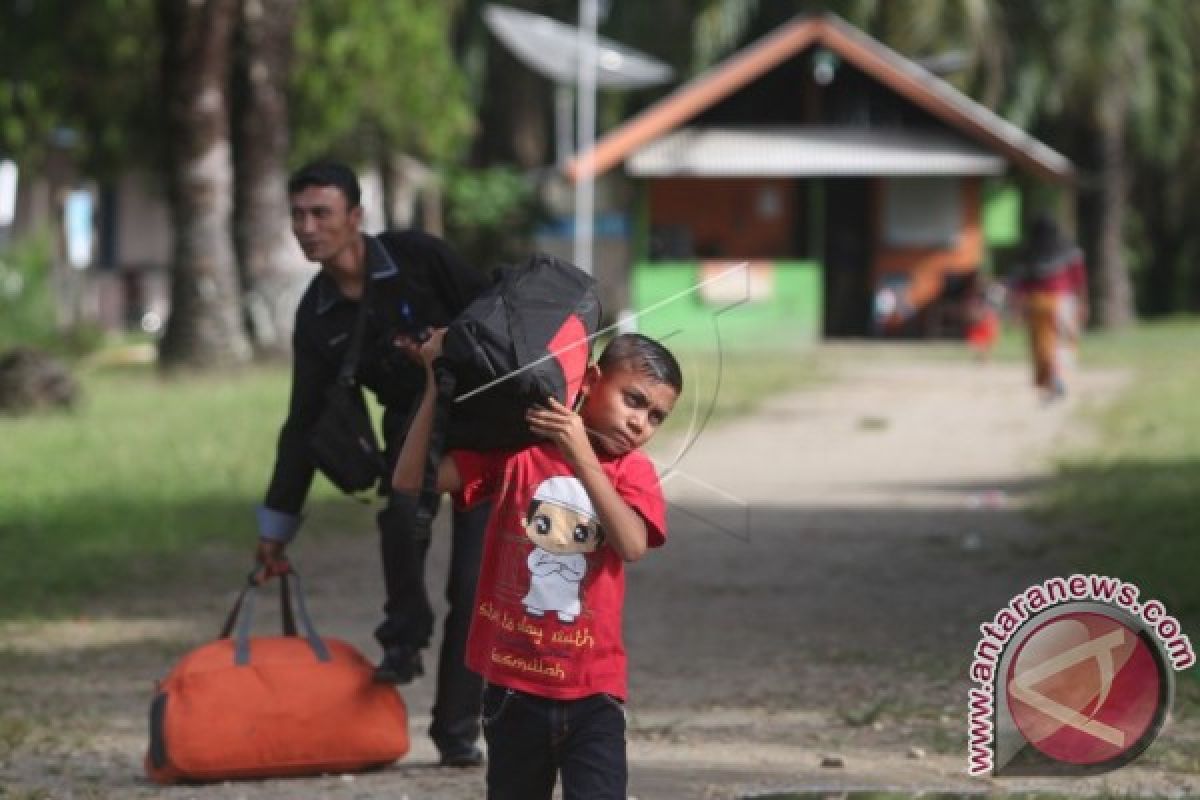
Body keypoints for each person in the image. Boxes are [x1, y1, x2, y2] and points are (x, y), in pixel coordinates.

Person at [254, 161, 491, 767]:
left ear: (355, 218)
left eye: (321, 214)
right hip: (409, 430)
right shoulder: (316, 316)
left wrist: (449, 345)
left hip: (481, 425)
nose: (307, 228)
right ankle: (405, 639)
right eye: (298, 216)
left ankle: (457, 731)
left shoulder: (417, 258)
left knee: (472, 584)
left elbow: (494, 316)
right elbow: (303, 424)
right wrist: (274, 531)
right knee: (401, 515)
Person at [392, 332, 682, 800]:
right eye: (633, 400)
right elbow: (409, 479)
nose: (639, 424)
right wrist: (433, 380)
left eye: (655, 418)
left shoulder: (632, 471)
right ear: (590, 379)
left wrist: (581, 457)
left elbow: (631, 544)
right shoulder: (517, 450)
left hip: (594, 692)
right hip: (512, 689)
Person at [1011, 214, 1088, 400]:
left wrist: (1018, 309)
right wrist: (1084, 303)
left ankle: (1050, 381)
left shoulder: (1028, 253)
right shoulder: (1070, 251)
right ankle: (1057, 378)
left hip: (1037, 303)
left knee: (1042, 344)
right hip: (1064, 302)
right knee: (1062, 343)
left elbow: (1020, 285)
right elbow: (1079, 281)